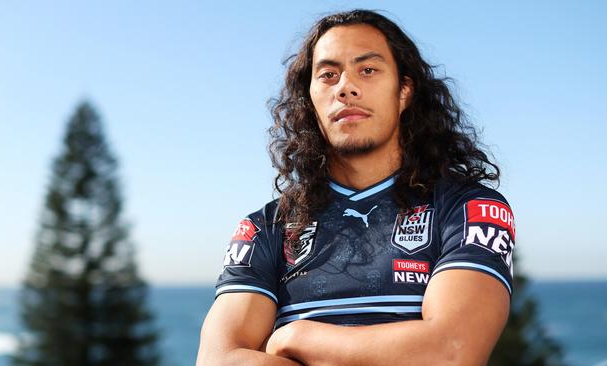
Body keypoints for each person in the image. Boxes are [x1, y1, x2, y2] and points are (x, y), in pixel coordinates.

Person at [196, 9, 515, 366]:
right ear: (310, 98)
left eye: (367, 69)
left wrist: (297, 337)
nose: (346, 87)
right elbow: (218, 360)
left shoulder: (468, 209)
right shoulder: (264, 230)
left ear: (404, 91)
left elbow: (452, 351)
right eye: (328, 74)